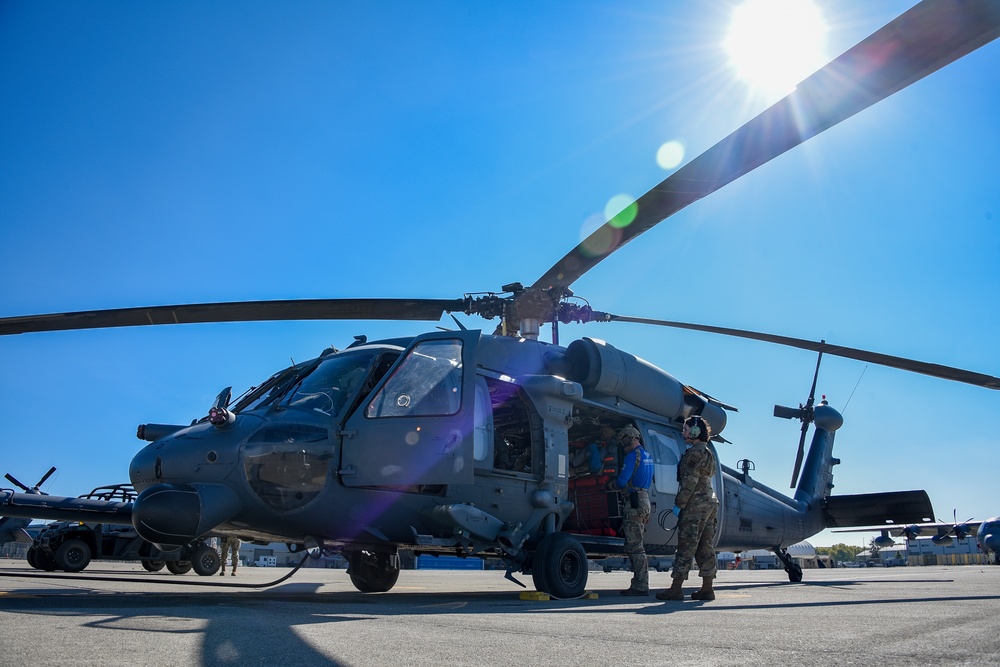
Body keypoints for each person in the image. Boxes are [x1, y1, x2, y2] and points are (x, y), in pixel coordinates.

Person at [657, 415, 719, 601]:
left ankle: (676, 588)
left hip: (696, 505)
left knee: (686, 546)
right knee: (705, 546)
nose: (683, 432)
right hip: (710, 503)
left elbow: (690, 482)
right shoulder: (708, 452)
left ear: (695, 432)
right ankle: (707, 588)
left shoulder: (694, 453)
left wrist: (679, 505)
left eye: (685, 429)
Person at [611, 424, 654, 596]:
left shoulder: (631, 456)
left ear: (629, 438)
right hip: (645, 500)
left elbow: (622, 481)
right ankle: (640, 583)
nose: (623, 445)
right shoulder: (648, 456)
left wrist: (611, 485)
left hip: (634, 502)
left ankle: (640, 585)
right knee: (638, 545)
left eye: (624, 441)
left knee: (635, 547)